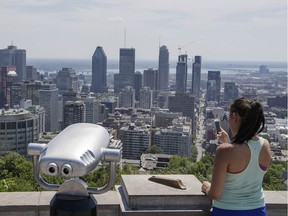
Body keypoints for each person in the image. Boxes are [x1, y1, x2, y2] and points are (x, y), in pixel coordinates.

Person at [201, 97, 271, 216]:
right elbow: (246, 165)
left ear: (234, 117)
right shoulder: (265, 145)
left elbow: (215, 194)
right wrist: (228, 142)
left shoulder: (224, 151)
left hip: (227, 211)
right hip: (257, 210)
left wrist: (206, 187)